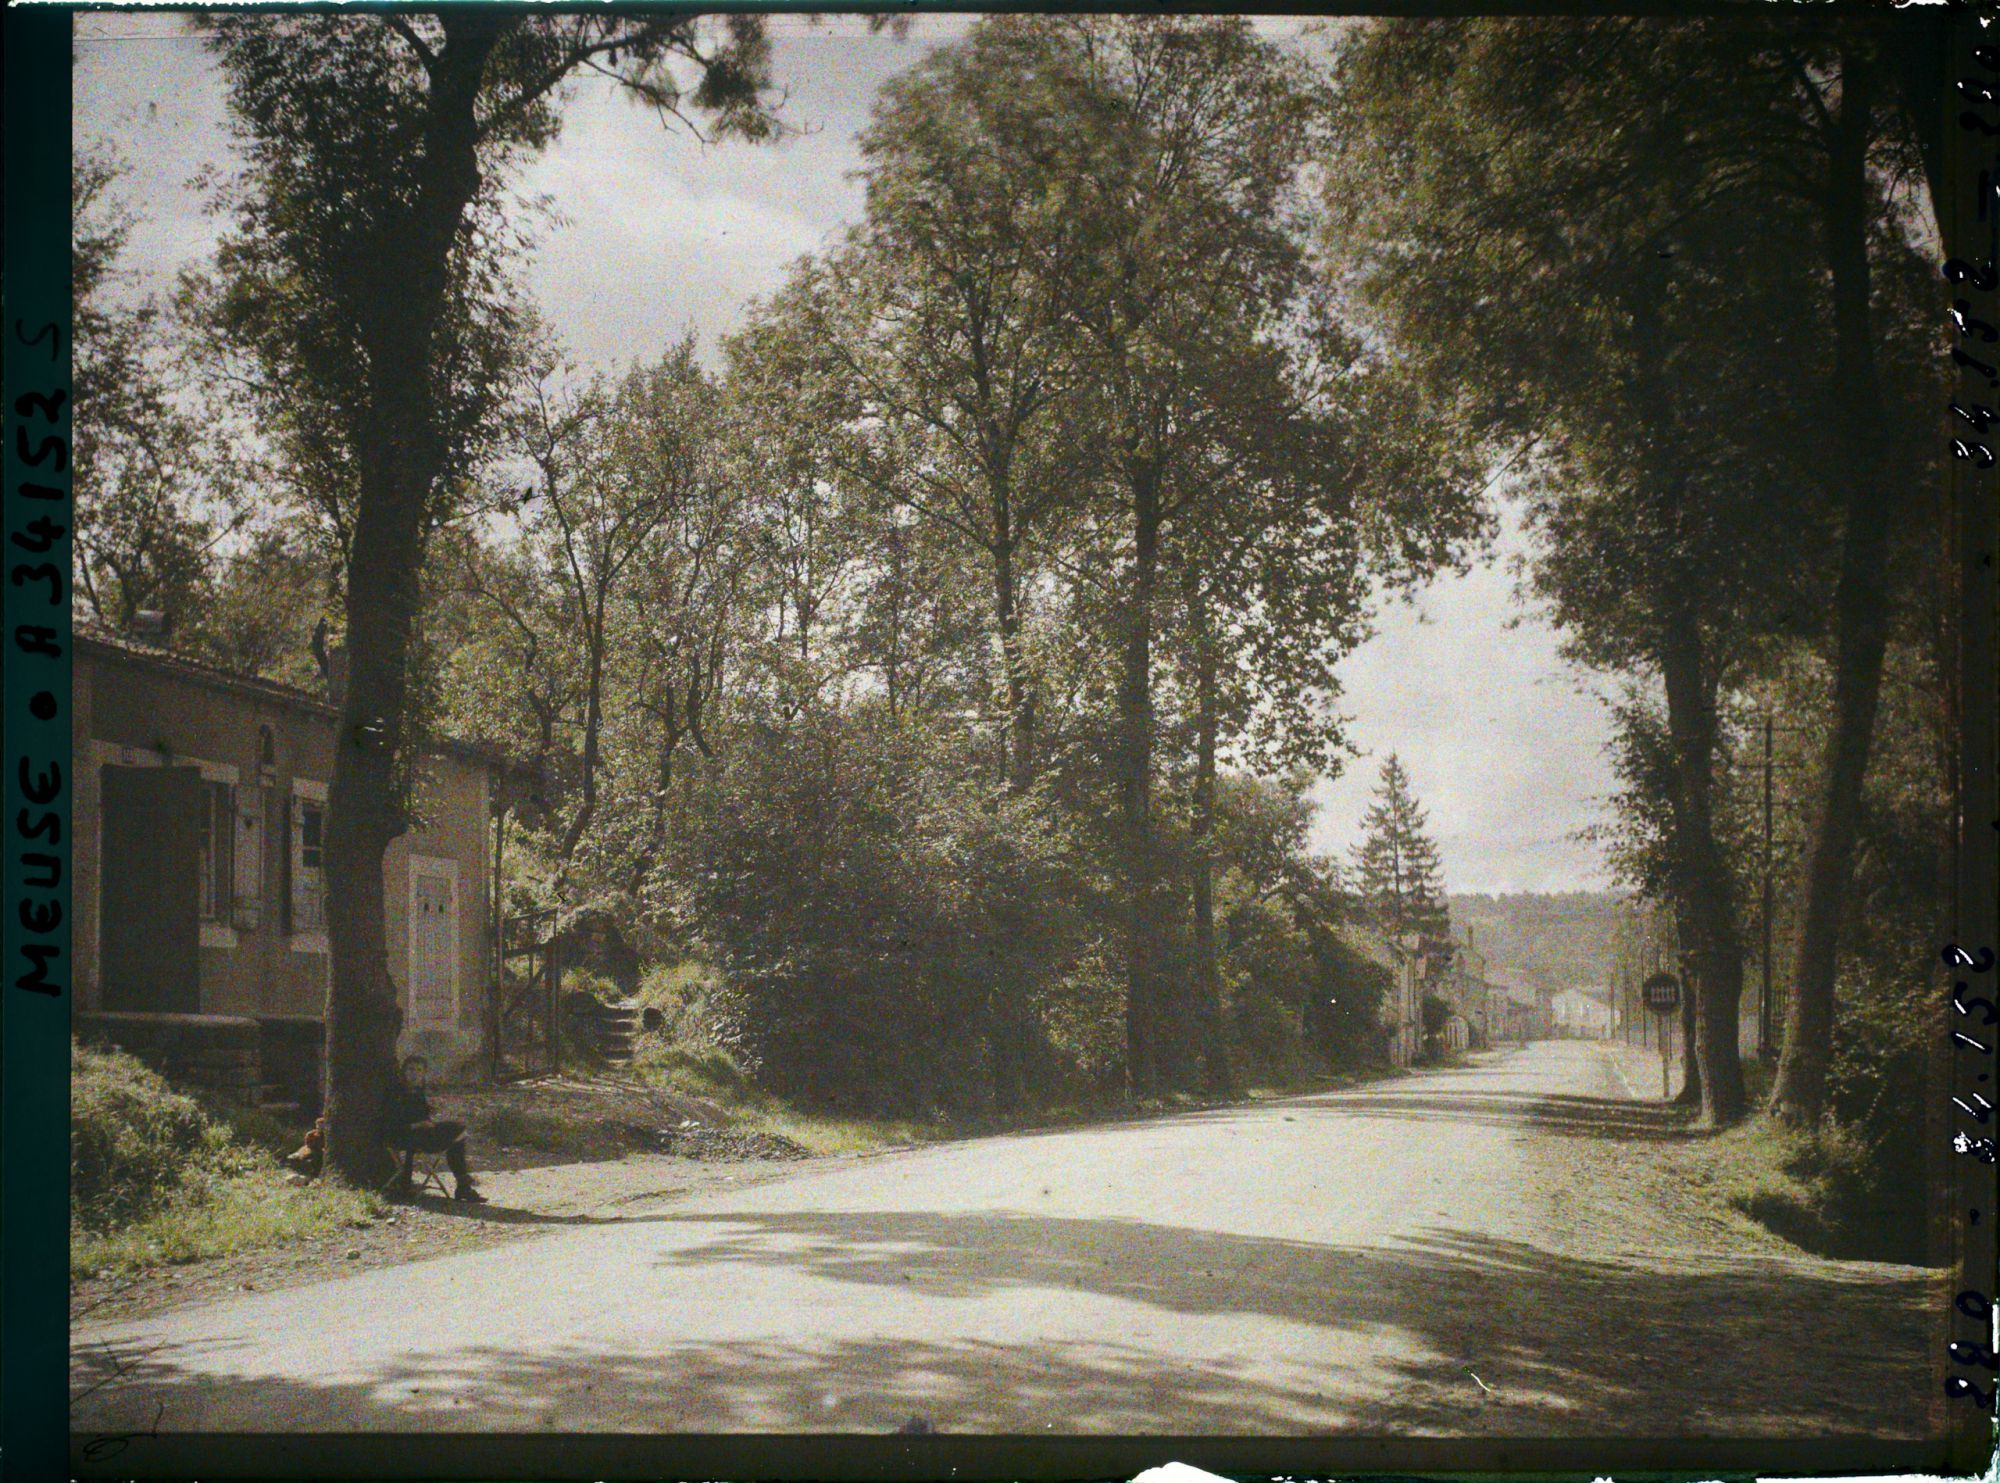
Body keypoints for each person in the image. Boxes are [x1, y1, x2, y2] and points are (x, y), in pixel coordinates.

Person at [385, 1056, 486, 1203]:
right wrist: (418, 1125)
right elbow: (391, 1124)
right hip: (401, 1136)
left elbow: (422, 1117)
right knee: (457, 1131)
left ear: (424, 1073)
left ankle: (463, 1185)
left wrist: (427, 1123)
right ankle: (463, 1185)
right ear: (404, 1071)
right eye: (411, 1069)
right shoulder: (396, 1092)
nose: (415, 1073)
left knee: (459, 1133)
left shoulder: (418, 1091)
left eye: (419, 1070)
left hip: (419, 1135)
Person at [281, 1116, 325, 1182]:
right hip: (311, 1149)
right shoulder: (311, 1134)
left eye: (322, 1125)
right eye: (318, 1124)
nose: (319, 1127)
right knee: (299, 1156)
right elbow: (307, 1143)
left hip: (319, 1152)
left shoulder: (327, 1135)